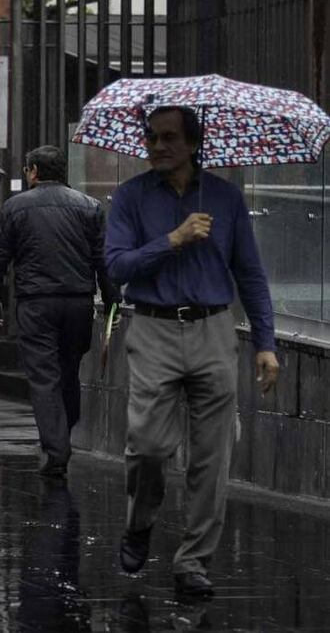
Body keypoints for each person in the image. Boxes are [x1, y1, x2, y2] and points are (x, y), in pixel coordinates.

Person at [105, 106, 279, 598]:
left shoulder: (224, 198)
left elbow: (250, 274)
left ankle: (193, 561)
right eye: (152, 138)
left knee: (212, 457)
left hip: (213, 331)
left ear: (194, 142)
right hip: (154, 329)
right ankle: (139, 523)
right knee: (148, 447)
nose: (158, 146)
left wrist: (265, 342)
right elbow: (117, 266)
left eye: (169, 138)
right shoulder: (132, 198)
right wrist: (173, 240)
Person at [0, 145, 121, 478]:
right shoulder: (89, 207)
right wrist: (112, 297)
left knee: (44, 377)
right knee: (68, 370)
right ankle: (63, 433)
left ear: (32, 171)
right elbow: (104, 258)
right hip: (78, 303)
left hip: (36, 302)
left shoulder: (15, 207)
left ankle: (56, 450)